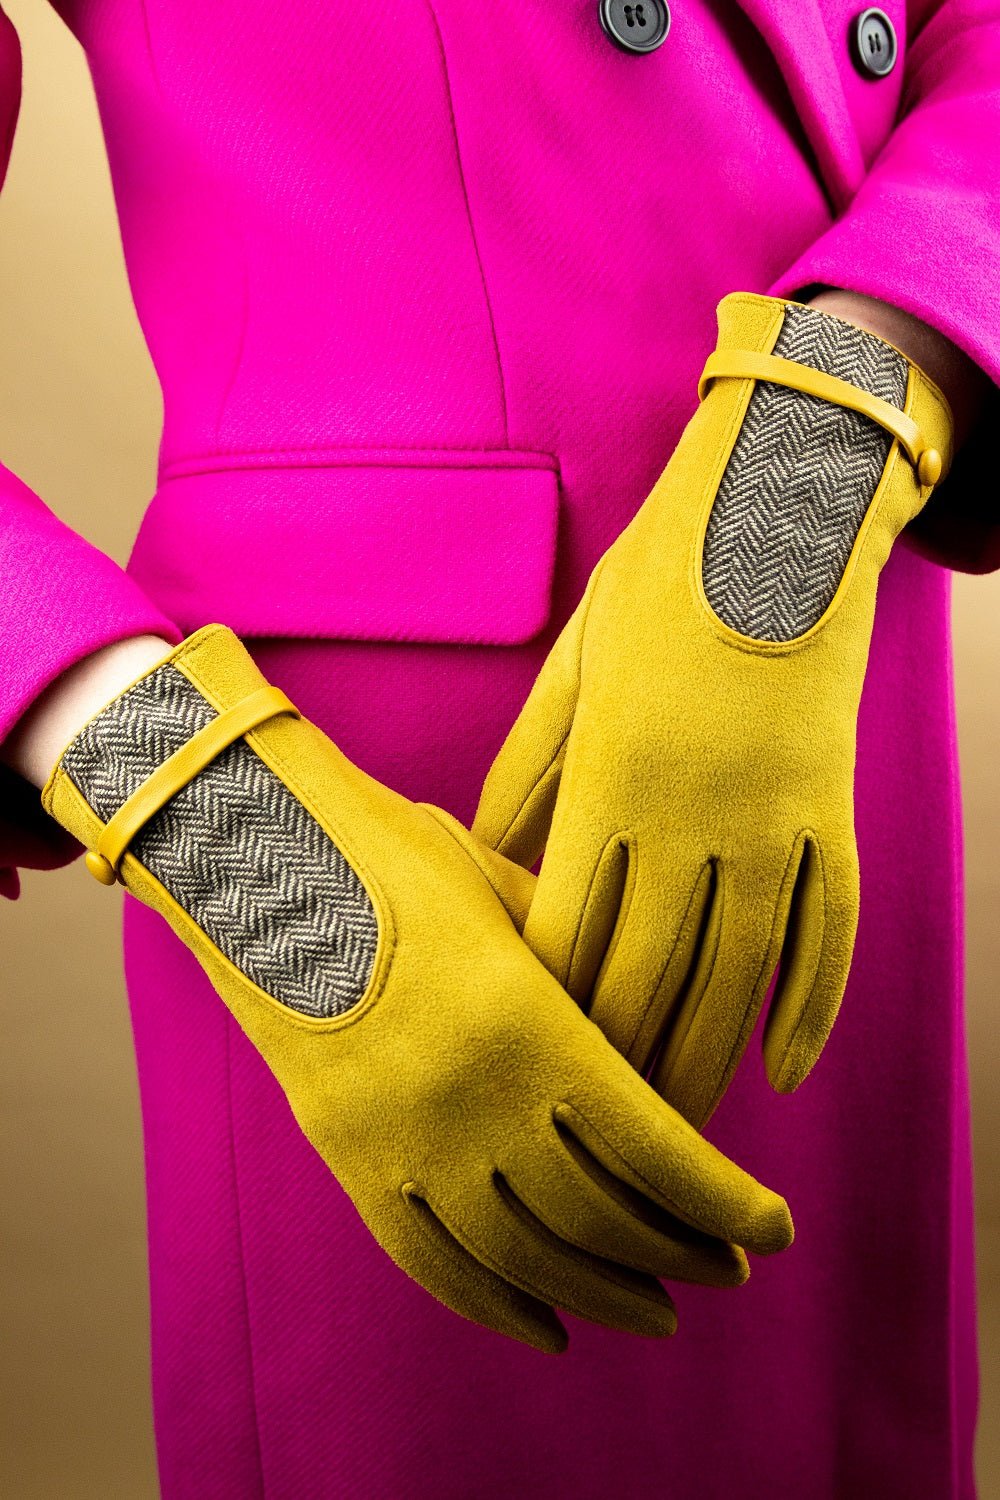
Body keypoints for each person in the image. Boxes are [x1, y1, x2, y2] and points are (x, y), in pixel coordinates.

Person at [1, 1, 997, 1495]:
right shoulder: (281, 866)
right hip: (360, 823)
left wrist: (816, 445)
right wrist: (235, 846)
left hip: (828, 677)